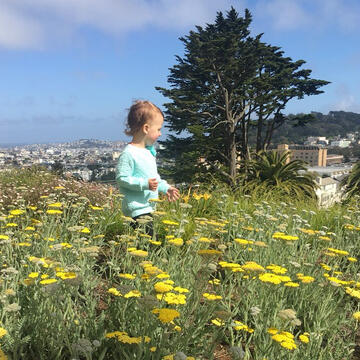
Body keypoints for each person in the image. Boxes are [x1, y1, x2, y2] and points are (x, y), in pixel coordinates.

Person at [116, 100, 180, 236]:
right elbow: (122, 179)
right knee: (147, 243)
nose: (160, 133)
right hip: (136, 209)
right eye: (158, 129)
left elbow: (154, 179)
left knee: (146, 243)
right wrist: (145, 184)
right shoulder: (129, 153)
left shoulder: (148, 152)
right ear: (146, 128)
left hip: (147, 208)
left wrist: (166, 188)